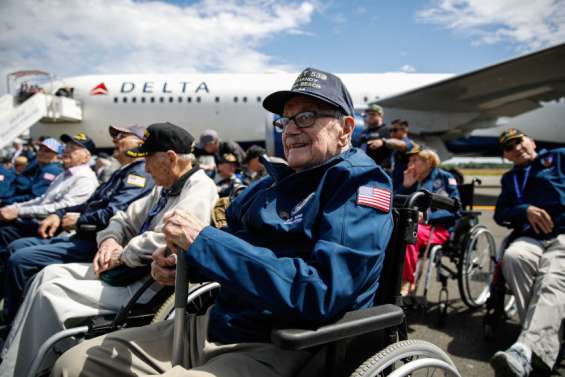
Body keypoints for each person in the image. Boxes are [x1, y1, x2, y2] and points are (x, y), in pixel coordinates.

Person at [52, 67, 394, 377]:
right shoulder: (271, 184)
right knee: (74, 364)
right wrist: (184, 261)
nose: (291, 130)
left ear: (346, 128)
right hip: (220, 325)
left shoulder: (358, 185)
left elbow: (320, 292)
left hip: (290, 343)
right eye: (285, 121)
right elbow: (235, 250)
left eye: (305, 117)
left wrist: (205, 242)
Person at [0, 123, 218, 377]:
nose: (145, 168)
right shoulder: (164, 188)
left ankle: (23, 370)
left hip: (148, 285)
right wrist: (110, 240)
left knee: (50, 293)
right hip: (129, 271)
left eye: (148, 160)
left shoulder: (200, 190)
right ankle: (15, 362)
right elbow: (123, 218)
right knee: (46, 275)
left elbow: (166, 239)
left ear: (170, 158)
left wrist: (122, 254)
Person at [0, 125, 155, 328]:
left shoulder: (139, 174)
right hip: (83, 236)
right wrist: (60, 214)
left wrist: (78, 220)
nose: (115, 140)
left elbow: (114, 212)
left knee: (20, 259)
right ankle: (18, 316)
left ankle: (11, 325)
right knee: (16, 248)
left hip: (99, 242)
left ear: (140, 143)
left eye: (122, 136)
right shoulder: (123, 172)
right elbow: (91, 204)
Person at [490, 128, 565, 377]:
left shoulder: (557, 156)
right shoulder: (509, 179)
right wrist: (525, 210)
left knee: (551, 277)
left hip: (562, 234)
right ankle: (543, 343)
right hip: (530, 238)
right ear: (506, 156)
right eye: (509, 147)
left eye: (519, 142)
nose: (517, 148)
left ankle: (525, 350)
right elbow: (500, 214)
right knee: (513, 257)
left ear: (532, 141)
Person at [0, 133, 99, 248]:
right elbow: (43, 199)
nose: (66, 151)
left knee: (4, 232)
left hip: (53, 229)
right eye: (66, 147)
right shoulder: (65, 174)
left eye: (73, 149)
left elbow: (64, 208)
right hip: (38, 222)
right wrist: (15, 207)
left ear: (86, 157)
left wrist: (19, 211)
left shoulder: (85, 178)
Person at [396, 147, 460, 296]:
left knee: (410, 232)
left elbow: (455, 208)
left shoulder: (444, 178)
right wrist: (405, 186)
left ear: (428, 162)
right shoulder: (412, 179)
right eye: (409, 161)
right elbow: (397, 203)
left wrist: (427, 217)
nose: (409, 165)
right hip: (414, 225)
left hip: (438, 229)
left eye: (414, 160)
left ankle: (407, 281)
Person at [0, 138, 64, 206]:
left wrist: (5, 201)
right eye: (40, 149)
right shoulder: (40, 165)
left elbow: (34, 197)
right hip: (10, 195)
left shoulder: (51, 170)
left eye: (47, 151)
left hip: (15, 204)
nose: (41, 152)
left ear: (58, 155)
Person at [356, 102, 391, 168]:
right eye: (368, 114)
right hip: (362, 166)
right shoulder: (365, 131)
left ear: (381, 116)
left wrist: (383, 142)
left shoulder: (387, 131)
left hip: (378, 169)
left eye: (373, 114)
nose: (370, 116)